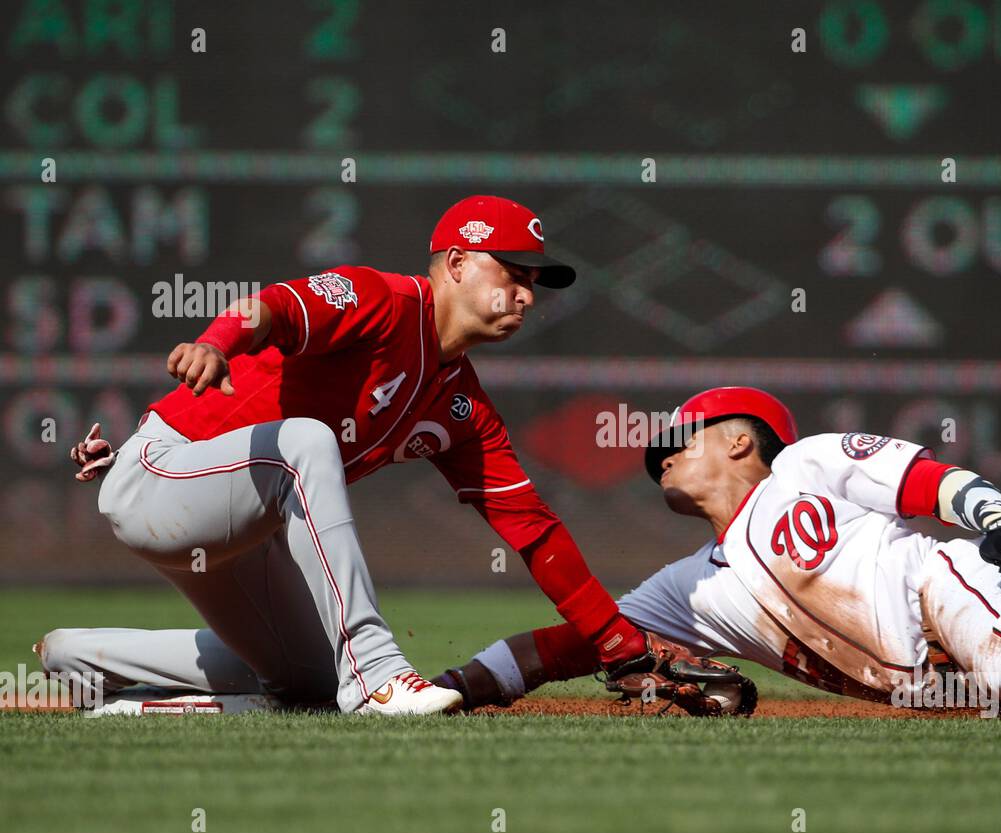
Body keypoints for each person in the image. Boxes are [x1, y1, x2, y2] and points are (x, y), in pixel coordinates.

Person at [42, 195, 655, 715]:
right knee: (306, 439)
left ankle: (89, 664)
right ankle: (376, 675)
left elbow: (534, 530)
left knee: (308, 685)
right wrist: (214, 341)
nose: (526, 293)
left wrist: (620, 643)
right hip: (162, 478)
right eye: (514, 273)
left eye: (534, 282)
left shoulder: (464, 406)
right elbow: (274, 307)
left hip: (239, 522)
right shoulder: (382, 300)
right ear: (460, 263)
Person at [434, 386, 1001, 722]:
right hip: (946, 687)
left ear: (740, 439)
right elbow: (570, 644)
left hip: (960, 582)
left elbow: (925, 482)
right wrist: (455, 685)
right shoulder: (689, 590)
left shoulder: (803, 463)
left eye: (678, 442)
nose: (661, 457)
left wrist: (993, 516)